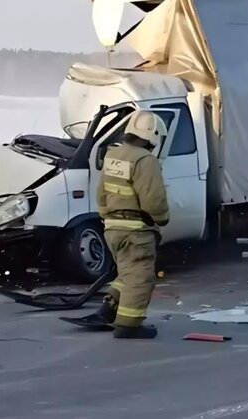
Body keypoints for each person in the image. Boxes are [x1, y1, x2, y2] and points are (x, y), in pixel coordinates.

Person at [80, 111, 169, 339]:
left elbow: (101, 192)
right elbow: (153, 198)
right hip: (136, 230)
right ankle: (129, 324)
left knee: (128, 273)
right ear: (153, 135)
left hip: (112, 229)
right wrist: (160, 218)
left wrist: (107, 217)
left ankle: (107, 310)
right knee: (140, 277)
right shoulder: (145, 160)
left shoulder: (114, 156)